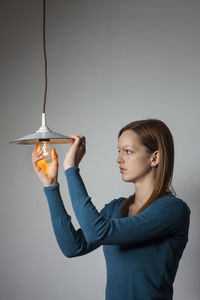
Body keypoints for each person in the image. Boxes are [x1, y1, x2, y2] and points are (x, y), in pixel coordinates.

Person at [32, 118, 190, 300]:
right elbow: (73, 247)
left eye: (128, 151)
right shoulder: (117, 208)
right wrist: (51, 186)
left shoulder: (172, 210)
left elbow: (98, 232)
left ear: (155, 157)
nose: (119, 159)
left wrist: (71, 169)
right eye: (119, 151)